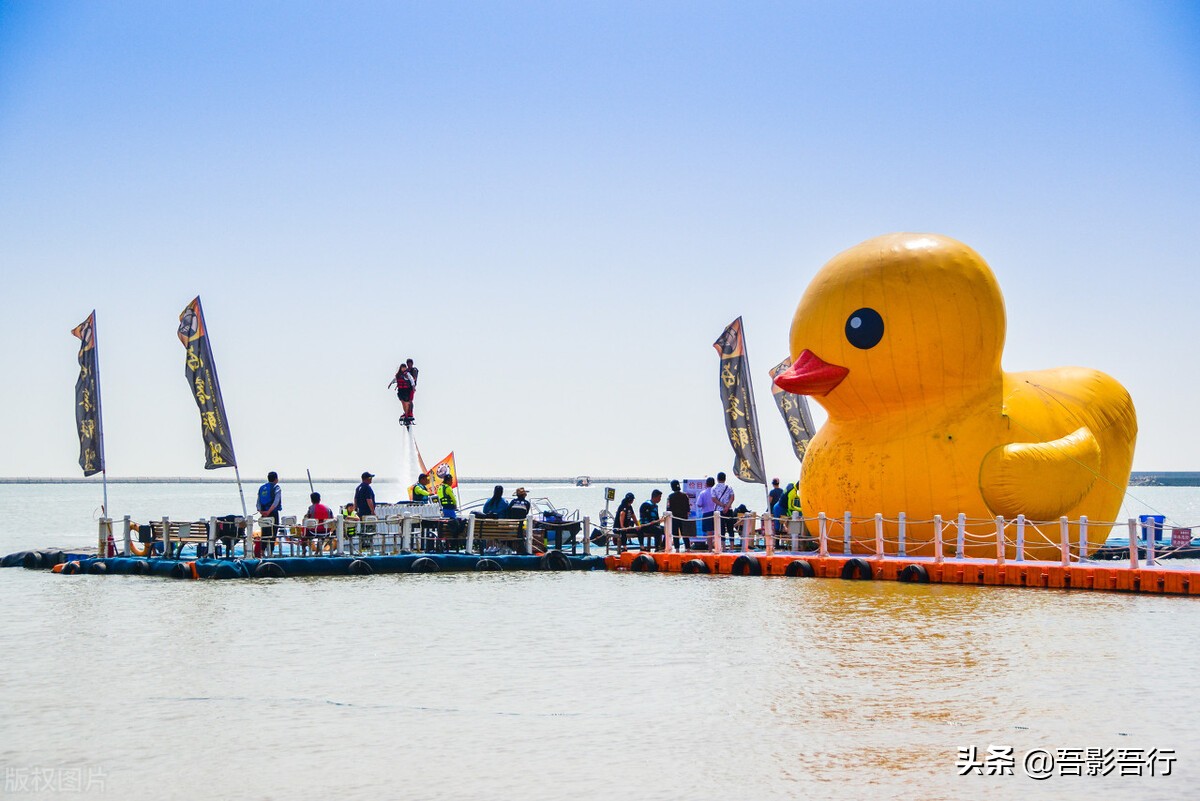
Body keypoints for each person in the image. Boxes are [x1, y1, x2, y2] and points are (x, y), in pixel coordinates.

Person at [256, 471, 282, 557]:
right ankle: (270, 552)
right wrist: (269, 511)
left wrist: (261, 511)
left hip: (263, 514)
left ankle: (262, 551)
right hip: (273, 513)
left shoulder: (262, 488)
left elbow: (258, 502)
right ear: (276, 479)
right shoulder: (276, 487)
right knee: (273, 533)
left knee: (264, 533)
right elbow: (276, 501)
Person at [666, 479, 692, 551]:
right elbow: (688, 508)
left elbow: (668, 509)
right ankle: (687, 548)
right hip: (684, 517)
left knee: (675, 534)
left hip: (674, 518)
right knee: (685, 533)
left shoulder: (670, 497)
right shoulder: (685, 496)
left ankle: (677, 548)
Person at [712, 471, 736, 547]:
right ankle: (732, 547)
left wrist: (722, 505)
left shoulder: (714, 488)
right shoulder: (729, 487)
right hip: (729, 510)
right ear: (725, 479)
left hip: (719, 511)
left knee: (721, 529)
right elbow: (732, 498)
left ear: (717, 479)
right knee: (730, 529)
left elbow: (714, 499)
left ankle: (724, 547)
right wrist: (727, 506)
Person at [695, 477, 717, 548]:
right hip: (716, 513)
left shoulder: (703, 493)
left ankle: (710, 548)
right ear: (714, 483)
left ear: (706, 484)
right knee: (717, 531)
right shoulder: (716, 492)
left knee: (709, 532)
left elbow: (699, 504)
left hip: (707, 513)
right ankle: (717, 547)